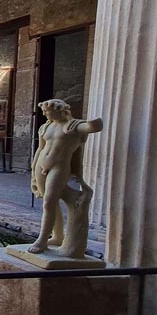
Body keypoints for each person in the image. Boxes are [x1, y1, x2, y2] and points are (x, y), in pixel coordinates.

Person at [28, 98, 103, 255]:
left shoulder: (73, 126)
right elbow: (40, 149)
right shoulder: (46, 127)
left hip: (59, 167)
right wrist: (33, 169)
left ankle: (41, 240)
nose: (45, 114)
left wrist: (96, 120)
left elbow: (93, 127)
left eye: (48, 111)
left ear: (60, 110)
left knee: (49, 201)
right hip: (41, 166)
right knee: (49, 204)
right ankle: (57, 236)